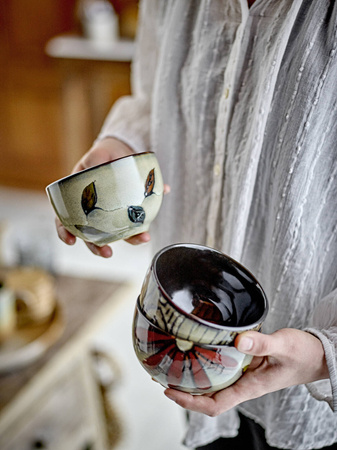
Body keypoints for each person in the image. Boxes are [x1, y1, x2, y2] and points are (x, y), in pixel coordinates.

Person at [56, 1, 337, 449]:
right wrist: (121, 146)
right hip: (189, 357)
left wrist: (328, 353)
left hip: (310, 384)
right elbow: (156, 97)